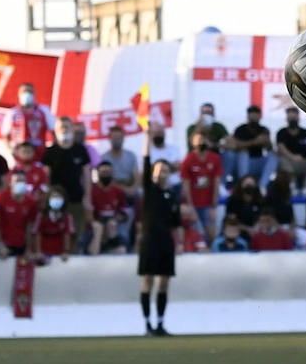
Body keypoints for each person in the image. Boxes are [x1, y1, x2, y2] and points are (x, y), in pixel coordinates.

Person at [137, 132, 184, 336]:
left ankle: (161, 323)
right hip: (149, 240)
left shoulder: (173, 195)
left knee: (164, 283)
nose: (160, 173)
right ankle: (148, 324)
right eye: (158, 170)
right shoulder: (149, 190)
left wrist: (180, 243)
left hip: (166, 241)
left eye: (164, 170)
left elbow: (178, 222)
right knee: (147, 280)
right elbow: (146, 162)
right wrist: (147, 139)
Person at [41, 117, 93, 254]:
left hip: (76, 199)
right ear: (56, 130)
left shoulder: (80, 149)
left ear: (72, 129)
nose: (64, 129)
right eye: (61, 127)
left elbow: (87, 175)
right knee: (57, 232)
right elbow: (46, 176)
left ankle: (73, 259)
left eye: (67, 126)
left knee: (76, 232)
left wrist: (87, 198)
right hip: (56, 201)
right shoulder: (50, 151)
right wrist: (46, 199)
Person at [180, 129, 224, 240]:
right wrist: (191, 207)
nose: (201, 143)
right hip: (194, 203)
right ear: (192, 143)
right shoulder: (187, 161)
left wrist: (214, 206)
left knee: (211, 233)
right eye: (198, 140)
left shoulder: (215, 159)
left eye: (203, 139)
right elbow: (186, 185)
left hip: (208, 204)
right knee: (195, 235)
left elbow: (217, 182)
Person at [0, 171, 40, 260]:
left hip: (19, 245)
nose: (20, 184)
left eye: (23, 181)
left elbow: (29, 227)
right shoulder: (0, 197)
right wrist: (0, 244)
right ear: (10, 183)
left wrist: (28, 249)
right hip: (1, 245)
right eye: (17, 181)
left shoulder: (31, 202)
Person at [226, 105, 276, 187]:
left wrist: (267, 142)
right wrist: (254, 142)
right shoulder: (241, 129)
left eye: (256, 115)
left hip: (257, 161)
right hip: (243, 163)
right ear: (248, 116)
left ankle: (261, 187)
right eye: (252, 115)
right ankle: (244, 184)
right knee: (243, 153)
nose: (254, 117)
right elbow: (236, 145)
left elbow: (269, 148)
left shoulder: (264, 129)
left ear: (260, 116)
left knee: (274, 157)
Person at [89, 160, 131, 254]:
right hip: (96, 227)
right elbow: (89, 216)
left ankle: (108, 250)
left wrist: (115, 219)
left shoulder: (118, 191)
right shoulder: (92, 191)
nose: (106, 175)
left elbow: (125, 213)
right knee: (97, 230)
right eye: (103, 172)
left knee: (122, 249)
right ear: (98, 174)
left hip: (113, 227)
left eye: (108, 172)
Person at [5, 82, 55, 159]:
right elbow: (5, 135)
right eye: (24, 92)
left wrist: (51, 151)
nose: (27, 94)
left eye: (29, 92)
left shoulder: (44, 110)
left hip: (39, 155)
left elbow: (54, 130)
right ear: (19, 94)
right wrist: (11, 150)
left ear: (34, 94)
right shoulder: (12, 113)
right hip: (18, 156)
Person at [275, 106, 306, 190]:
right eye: (290, 117)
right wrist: (293, 157)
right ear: (286, 118)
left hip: (303, 162)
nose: (292, 120)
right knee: (281, 159)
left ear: (298, 118)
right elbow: (281, 148)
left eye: (294, 117)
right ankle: (292, 184)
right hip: (289, 163)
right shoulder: (281, 132)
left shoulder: (305, 132)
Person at [34, 185, 75, 263]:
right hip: (43, 255)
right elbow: (37, 234)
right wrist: (38, 252)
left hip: (60, 256)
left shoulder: (67, 217)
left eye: (59, 197)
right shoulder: (41, 216)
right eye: (54, 197)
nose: (56, 199)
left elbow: (68, 235)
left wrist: (66, 252)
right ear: (48, 199)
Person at [100, 125, 140, 198]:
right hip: (112, 189)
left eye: (119, 137)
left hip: (130, 187)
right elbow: (104, 180)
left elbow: (137, 177)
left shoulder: (131, 155)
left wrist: (134, 188)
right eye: (114, 137)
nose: (117, 140)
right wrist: (123, 190)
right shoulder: (104, 158)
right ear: (109, 139)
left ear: (123, 138)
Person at [147, 122, 183, 189]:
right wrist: (169, 167)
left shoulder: (174, 149)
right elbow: (147, 169)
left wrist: (158, 168)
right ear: (151, 134)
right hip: (155, 189)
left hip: (175, 187)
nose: (158, 135)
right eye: (156, 133)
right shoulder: (148, 152)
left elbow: (178, 166)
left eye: (160, 133)